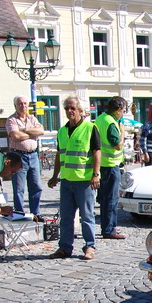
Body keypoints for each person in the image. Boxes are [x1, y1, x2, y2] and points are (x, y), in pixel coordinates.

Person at [47, 96, 101, 260]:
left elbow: (97, 152)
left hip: (84, 181)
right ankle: (64, 248)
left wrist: (96, 174)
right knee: (66, 218)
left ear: (80, 111)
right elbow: (59, 154)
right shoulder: (62, 131)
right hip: (67, 181)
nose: (69, 111)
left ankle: (89, 246)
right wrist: (55, 176)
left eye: (73, 108)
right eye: (67, 108)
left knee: (87, 216)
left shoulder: (90, 128)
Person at [94, 96, 128, 240]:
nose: (123, 113)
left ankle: (107, 226)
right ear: (118, 109)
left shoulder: (100, 118)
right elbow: (117, 144)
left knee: (104, 199)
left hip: (102, 164)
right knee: (111, 199)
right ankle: (109, 229)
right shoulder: (111, 123)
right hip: (110, 165)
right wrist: (122, 132)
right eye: (123, 110)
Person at [6, 96, 45, 220]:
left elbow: (41, 131)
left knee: (36, 186)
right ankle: (19, 214)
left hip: (33, 155)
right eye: (20, 104)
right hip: (18, 156)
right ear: (15, 106)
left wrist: (25, 130)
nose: (23, 106)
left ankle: (35, 213)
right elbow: (15, 136)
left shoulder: (33, 118)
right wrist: (32, 133)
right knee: (19, 188)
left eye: (24, 103)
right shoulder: (11, 120)